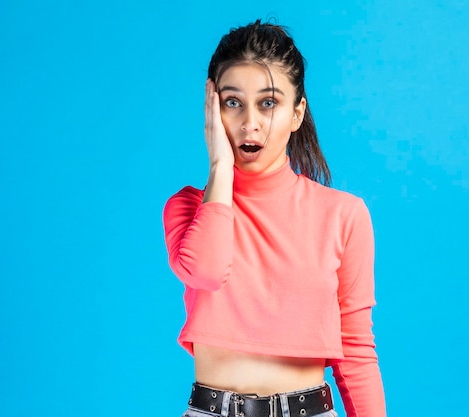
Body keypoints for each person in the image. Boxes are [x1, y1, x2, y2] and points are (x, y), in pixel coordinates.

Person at [163, 20, 386, 417]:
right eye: (233, 102)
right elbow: (208, 271)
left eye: (268, 103)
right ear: (212, 109)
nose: (250, 122)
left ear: (297, 113)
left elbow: (355, 351)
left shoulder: (343, 215)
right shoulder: (189, 207)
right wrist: (219, 167)